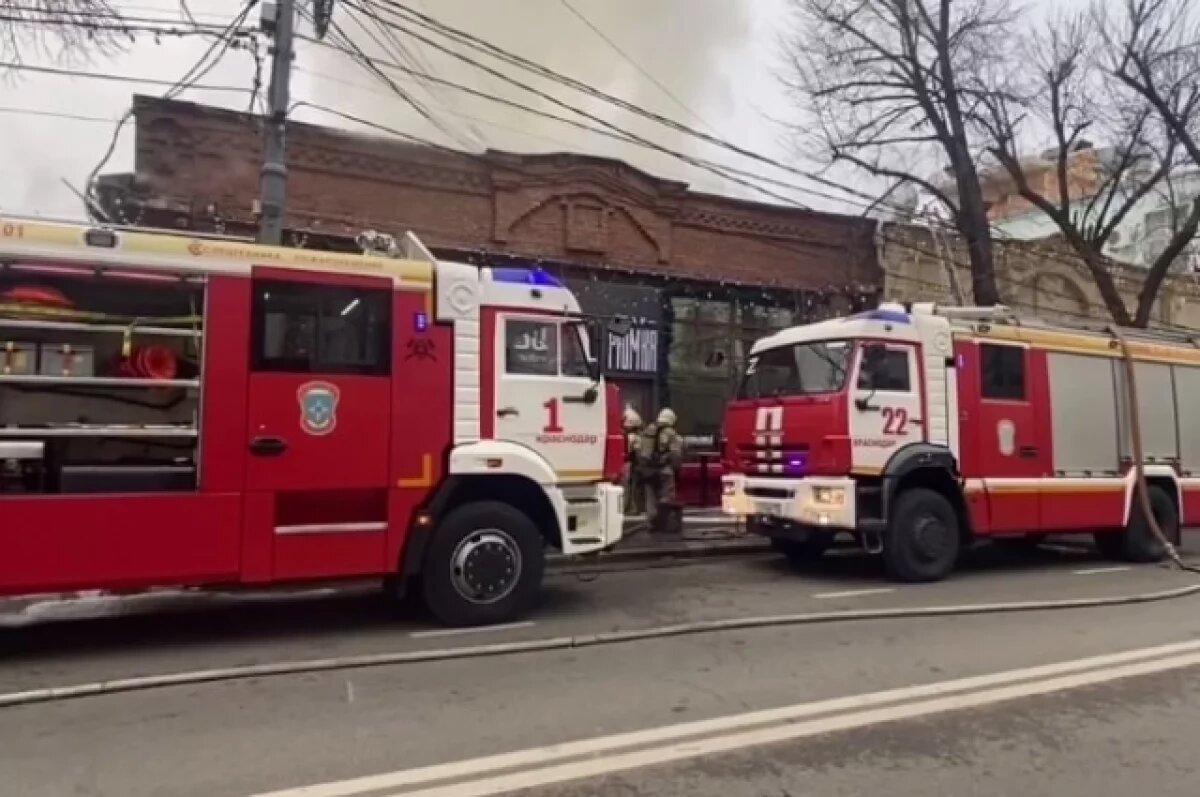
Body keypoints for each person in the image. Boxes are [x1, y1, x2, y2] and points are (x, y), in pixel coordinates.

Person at [637, 407, 684, 534]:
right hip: (664, 471)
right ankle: (663, 523)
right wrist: (676, 468)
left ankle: (651, 523)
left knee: (650, 498)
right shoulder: (671, 433)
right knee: (666, 497)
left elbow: (639, 450)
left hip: (648, 471)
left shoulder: (648, 430)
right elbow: (675, 455)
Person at [621, 407, 644, 516]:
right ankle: (632, 507)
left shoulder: (628, 436)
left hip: (627, 464)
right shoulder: (636, 437)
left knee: (627, 486)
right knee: (632, 487)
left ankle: (627, 507)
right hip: (631, 464)